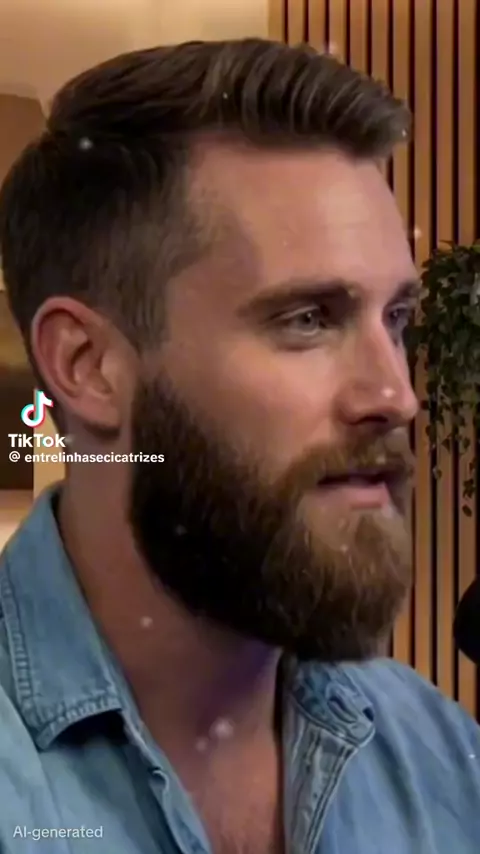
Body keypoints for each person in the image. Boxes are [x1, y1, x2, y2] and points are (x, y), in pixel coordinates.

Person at [0, 38, 478, 854]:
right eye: (309, 319)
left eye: (395, 319)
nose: (396, 395)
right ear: (87, 365)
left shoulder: (442, 761)